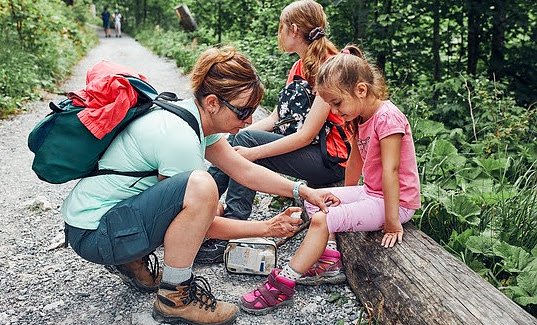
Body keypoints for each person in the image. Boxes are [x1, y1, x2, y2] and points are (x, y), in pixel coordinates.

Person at [61, 46, 339, 325]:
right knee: (203, 187)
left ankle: (131, 260)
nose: (250, 121)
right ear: (213, 103)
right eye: (243, 111)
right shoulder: (180, 137)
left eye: (252, 111)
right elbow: (198, 226)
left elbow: (243, 169)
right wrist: (267, 228)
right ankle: (175, 297)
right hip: (96, 235)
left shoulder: (188, 116)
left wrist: (300, 190)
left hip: (94, 223)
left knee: (209, 201)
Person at [239, 44, 421, 315]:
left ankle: (284, 282)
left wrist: (393, 223)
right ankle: (330, 259)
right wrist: (345, 199)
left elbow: (391, 171)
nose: (335, 110)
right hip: (372, 193)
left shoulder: (388, 118)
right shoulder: (360, 116)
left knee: (324, 219)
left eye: (337, 102)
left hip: (398, 203)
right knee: (318, 199)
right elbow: (355, 160)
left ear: (361, 90)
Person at [198, 0, 351, 265]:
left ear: (292, 29)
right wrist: (230, 135)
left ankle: (229, 226)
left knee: (245, 143)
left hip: (330, 160)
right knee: (238, 138)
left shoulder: (331, 67)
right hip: (310, 149)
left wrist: (250, 152)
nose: (278, 33)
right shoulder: (299, 66)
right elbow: (275, 118)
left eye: (280, 28)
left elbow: (305, 135)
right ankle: (204, 211)